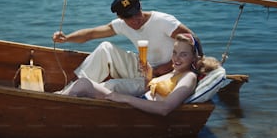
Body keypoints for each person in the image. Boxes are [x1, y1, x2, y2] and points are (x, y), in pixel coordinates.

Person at [53, 0, 203, 96]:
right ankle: (68, 91)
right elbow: (92, 33)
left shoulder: (162, 21)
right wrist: (66, 39)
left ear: (140, 6)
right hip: (144, 67)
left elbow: (193, 39)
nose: (135, 19)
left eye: (136, 13)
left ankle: (76, 95)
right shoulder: (122, 24)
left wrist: (169, 68)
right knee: (105, 48)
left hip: (165, 74)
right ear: (121, 18)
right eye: (129, 17)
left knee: (111, 85)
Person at [58, 34, 219, 116]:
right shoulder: (176, 72)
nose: (176, 58)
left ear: (194, 57)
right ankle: (56, 103)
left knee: (83, 86)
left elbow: (165, 108)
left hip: (137, 108)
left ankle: (55, 109)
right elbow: (150, 89)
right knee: (83, 84)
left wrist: (125, 98)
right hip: (138, 101)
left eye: (183, 54)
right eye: (175, 53)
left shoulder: (188, 77)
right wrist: (148, 74)